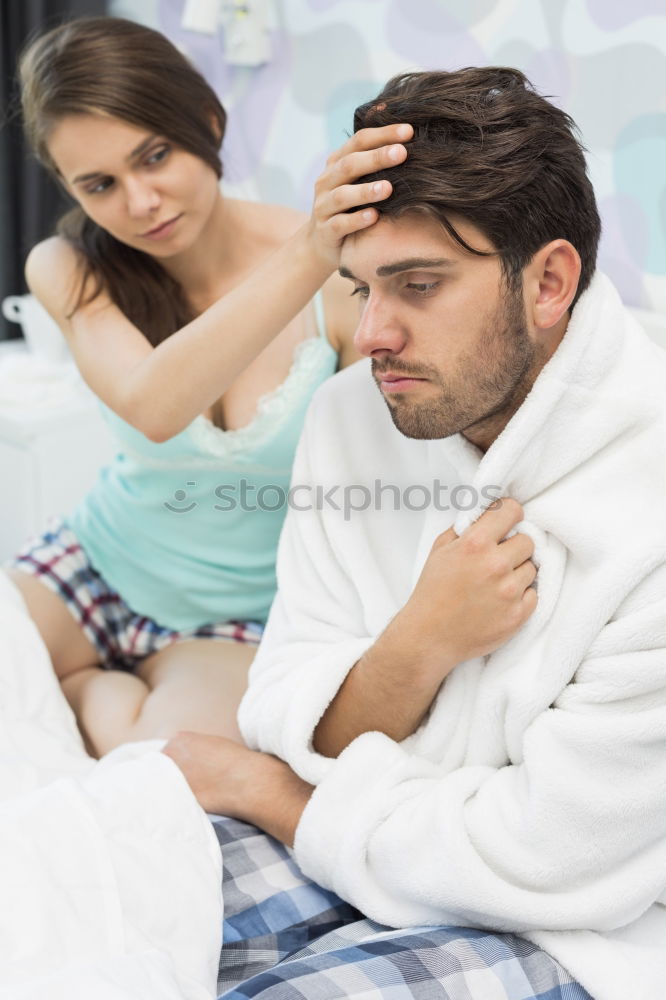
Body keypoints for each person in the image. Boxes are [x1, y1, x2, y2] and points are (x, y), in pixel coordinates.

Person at [164, 68, 666, 1000]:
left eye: (419, 284)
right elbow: (280, 700)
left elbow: (546, 857)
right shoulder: (353, 419)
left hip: (584, 928)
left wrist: (281, 798)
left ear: (550, 280)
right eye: (359, 289)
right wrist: (418, 646)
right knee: (82, 887)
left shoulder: (651, 502)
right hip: (378, 840)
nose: (369, 338)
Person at [7, 16, 412, 757]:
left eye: (154, 156)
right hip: (93, 566)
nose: (140, 202)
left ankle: (87, 689)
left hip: (235, 618)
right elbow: (152, 406)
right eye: (99, 184)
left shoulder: (341, 282)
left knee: (165, 767)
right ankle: (85, 681)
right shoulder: (68, 267)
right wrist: (311, 251)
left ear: (208, 120)